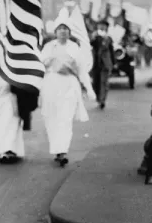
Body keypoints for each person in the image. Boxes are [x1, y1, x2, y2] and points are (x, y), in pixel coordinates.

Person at [41, 19, 96, 167]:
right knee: (52, 117)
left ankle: (62, 151)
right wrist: (50, 58)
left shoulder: (74, 48)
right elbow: (40, 64)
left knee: (65, 118)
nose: (63, 31)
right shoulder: (49, 47)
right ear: (56, 31)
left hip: (69, 85)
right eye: (60, 29)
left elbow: (82, 70)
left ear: (70, 32)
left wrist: (89, 89)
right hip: (51, 83)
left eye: (66, 29)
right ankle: (56, 148)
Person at [90, 19, 115, 109]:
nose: (102, 27)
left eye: (104, 25)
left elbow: (111, 51)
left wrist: (113, 62)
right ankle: (98, 97)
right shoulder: (93, 36)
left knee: (104, 82)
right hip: (94, 63)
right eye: (100, 25)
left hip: (105, 63)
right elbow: (90, 44)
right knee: (95, 82)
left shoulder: (108, 38)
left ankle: (102, 100)